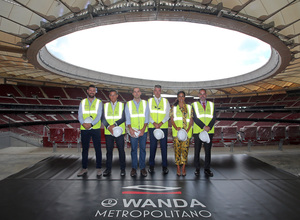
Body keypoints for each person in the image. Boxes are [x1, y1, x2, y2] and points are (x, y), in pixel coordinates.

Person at [77, 85, 103, 177]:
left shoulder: (99, 102)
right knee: (85, 149)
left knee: (98, 149)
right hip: (84, 129)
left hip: (95, 128)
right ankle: (84, 168)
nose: (92, 92)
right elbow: (80, 115)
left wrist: (91, 124)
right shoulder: (83, 102)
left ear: (95, 92)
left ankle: (99, 168)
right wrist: (84, 124)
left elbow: (99, 115)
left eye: (93, 90)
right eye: (90, 90)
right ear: (87, 91)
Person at [125, 87, 149, 177]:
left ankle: (142, 168)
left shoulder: (145, 103)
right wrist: (130, 129)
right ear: (132, 93)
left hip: (143, 131)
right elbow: (128, 118)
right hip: (133, 131)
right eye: (134, 92)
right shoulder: (128, 104)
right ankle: (134, 168)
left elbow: (147, 117)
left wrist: (142, 130)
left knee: (143, 149)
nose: (136, 93)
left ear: (140, 93)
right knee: (133, 150)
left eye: (138, 91)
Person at [192, 89, 216, 177]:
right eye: (201, 94)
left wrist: (208, 127)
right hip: (198, 131)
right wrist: (203, 126)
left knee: (208, 151)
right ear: (198, 95)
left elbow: (214, 117)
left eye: (204, 94)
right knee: (197, 151)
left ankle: (207, 169)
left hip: (209, 131)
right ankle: (197, 169)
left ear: (206, 95)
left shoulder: (212, 104)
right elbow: (194, 117)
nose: (202, 96)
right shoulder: (194, 105)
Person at [101, 89, 126, 177]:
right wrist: (108, 126)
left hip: (119, 131)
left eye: (114, 95)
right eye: (111, 95)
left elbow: (124, 117)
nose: (112, 97)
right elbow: (103, 118)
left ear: (117, 96)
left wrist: (114, 125)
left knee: (121, 151)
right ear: (109, 96)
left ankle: (123, 169)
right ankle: (108, 169)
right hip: (109, 132)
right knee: (109, 151)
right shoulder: (105, 105)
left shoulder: (122, 105)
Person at [148, 85, 170, 174]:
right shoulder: (149, 101)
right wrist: (154, 123)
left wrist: (160, 123)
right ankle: (151, 165)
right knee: (152, 147)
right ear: (154, 91)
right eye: (156, 90)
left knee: (163, 148)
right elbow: (147, 114)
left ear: (161, 91)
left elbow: (168, 114)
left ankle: (164, 166)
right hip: (152, 127)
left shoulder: (165, 101)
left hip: (163, 127)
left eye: (159, 90)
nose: (157, 92)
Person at [170, 91, 193, 176]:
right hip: (177, 133)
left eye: (182, 96)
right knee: (177, 150)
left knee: (185, 150)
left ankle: (183, 167)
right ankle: (178, 167)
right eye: (179, 96)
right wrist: (176, 128)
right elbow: (172, 119)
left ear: (184, 97)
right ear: (177, 98)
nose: (181, 98)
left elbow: (191, 120)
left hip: (186, 133)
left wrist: (188, 129)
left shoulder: (189, 107)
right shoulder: (174, 107)